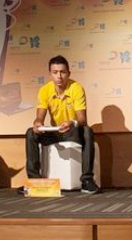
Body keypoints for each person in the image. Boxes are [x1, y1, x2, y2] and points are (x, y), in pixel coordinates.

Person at [21, 55, 99, 194]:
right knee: (30, 132)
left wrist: (71, 123)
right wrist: (37, 123)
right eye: (55, 72)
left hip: (72, 131)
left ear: (69, 73)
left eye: (63, 72)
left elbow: (82, 120)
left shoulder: (76, 88)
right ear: (50, 74)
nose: (59, 76)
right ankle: (34, 181)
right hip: (55, 132)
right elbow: (39, 117)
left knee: (87, 130)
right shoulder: (45, 90)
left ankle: (87, 180)